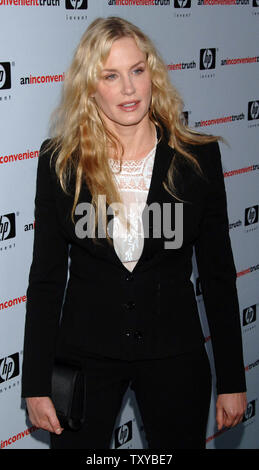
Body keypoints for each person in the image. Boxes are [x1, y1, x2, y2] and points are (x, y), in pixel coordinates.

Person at [21, 16, 247, 450]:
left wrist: (233, 379)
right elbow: (46, 279)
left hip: (174, 357)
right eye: (111, 75)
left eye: (137, 71)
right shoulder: (59, 162)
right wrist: (35, 383)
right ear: (90, 87)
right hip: (84, 359)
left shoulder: (197, 159)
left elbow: (218, 276)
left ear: (152, 75)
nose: (128, 88)